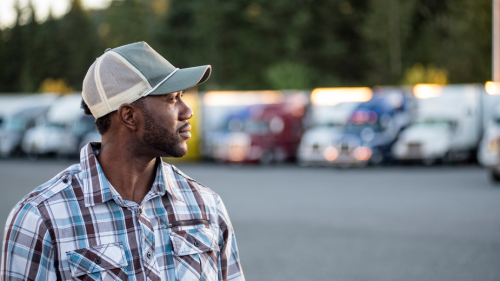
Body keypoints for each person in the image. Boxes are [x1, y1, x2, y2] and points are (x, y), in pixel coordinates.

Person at [1, 42, 244, 281]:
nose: (187, 111)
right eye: (171, 99)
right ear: (129, 116)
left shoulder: (206, 204)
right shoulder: (39, 219)